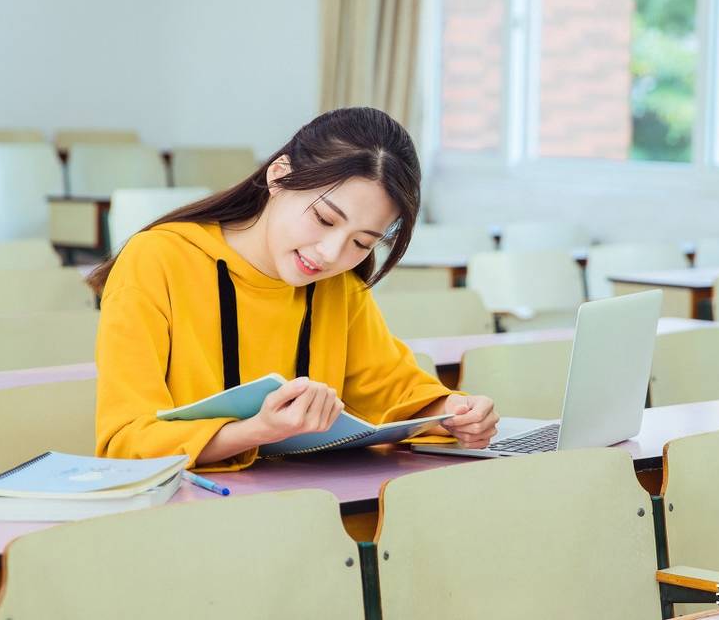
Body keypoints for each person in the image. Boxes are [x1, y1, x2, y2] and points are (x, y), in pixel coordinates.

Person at [90, 107, 499, 471]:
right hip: (189, 519)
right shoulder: (157, 260)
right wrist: (256, 431)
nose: (330, 254)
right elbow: (124, 441)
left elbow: (395, 391)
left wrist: (454, 412)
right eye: (324, 219)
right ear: (279, 175)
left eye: (361, 243)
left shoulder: (339, 284)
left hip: (309, 511)